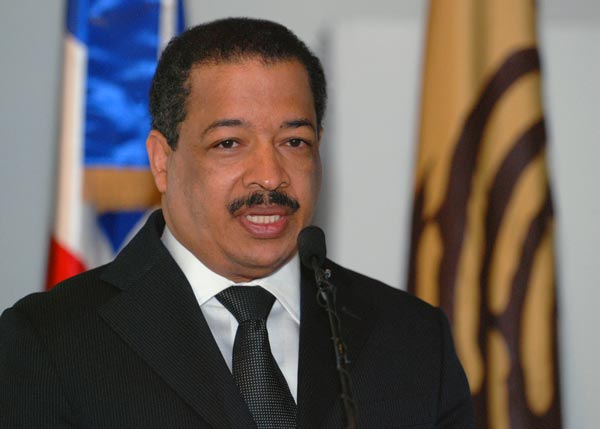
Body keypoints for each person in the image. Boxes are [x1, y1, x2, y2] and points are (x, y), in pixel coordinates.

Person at [0, 18, 474, 428]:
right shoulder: (50, 343)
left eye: (294, 142)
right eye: (229, 143)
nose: (269, 175)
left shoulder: (413, 338)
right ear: (162, 161)